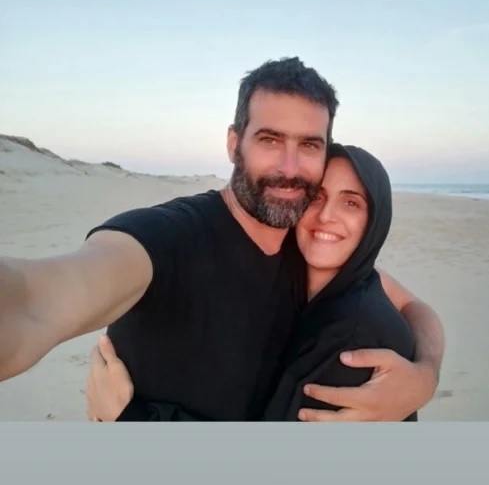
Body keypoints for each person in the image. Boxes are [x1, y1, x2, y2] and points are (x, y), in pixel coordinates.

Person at [0, 58, 444, 420]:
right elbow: (33, 301)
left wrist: (423, 377)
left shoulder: (306, 247)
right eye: (270, 139)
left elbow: (412, 306)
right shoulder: (167, 239)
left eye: (309, 145)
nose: (290, 168)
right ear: (234, 144)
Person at [88, 142, 419, 422]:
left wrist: (128, 417)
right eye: (317, 197)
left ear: (374, 223)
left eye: (351, 203)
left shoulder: (352, 339)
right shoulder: (320, 281)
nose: (326, 215)